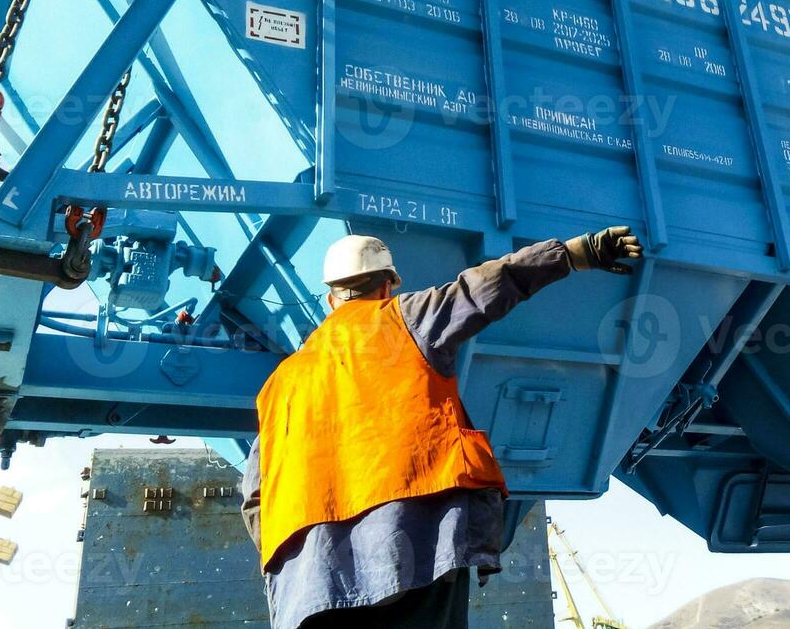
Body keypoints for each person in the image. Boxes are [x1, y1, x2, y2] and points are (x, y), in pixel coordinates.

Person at [240, 226, 642, 628]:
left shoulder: (279, 385)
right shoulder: (404, 319)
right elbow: (486, 287)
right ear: (387, 287)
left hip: (308, 580)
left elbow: (256, 499)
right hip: (416, 541)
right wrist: (574, 253)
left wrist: (296, 562)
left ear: (331, 299)